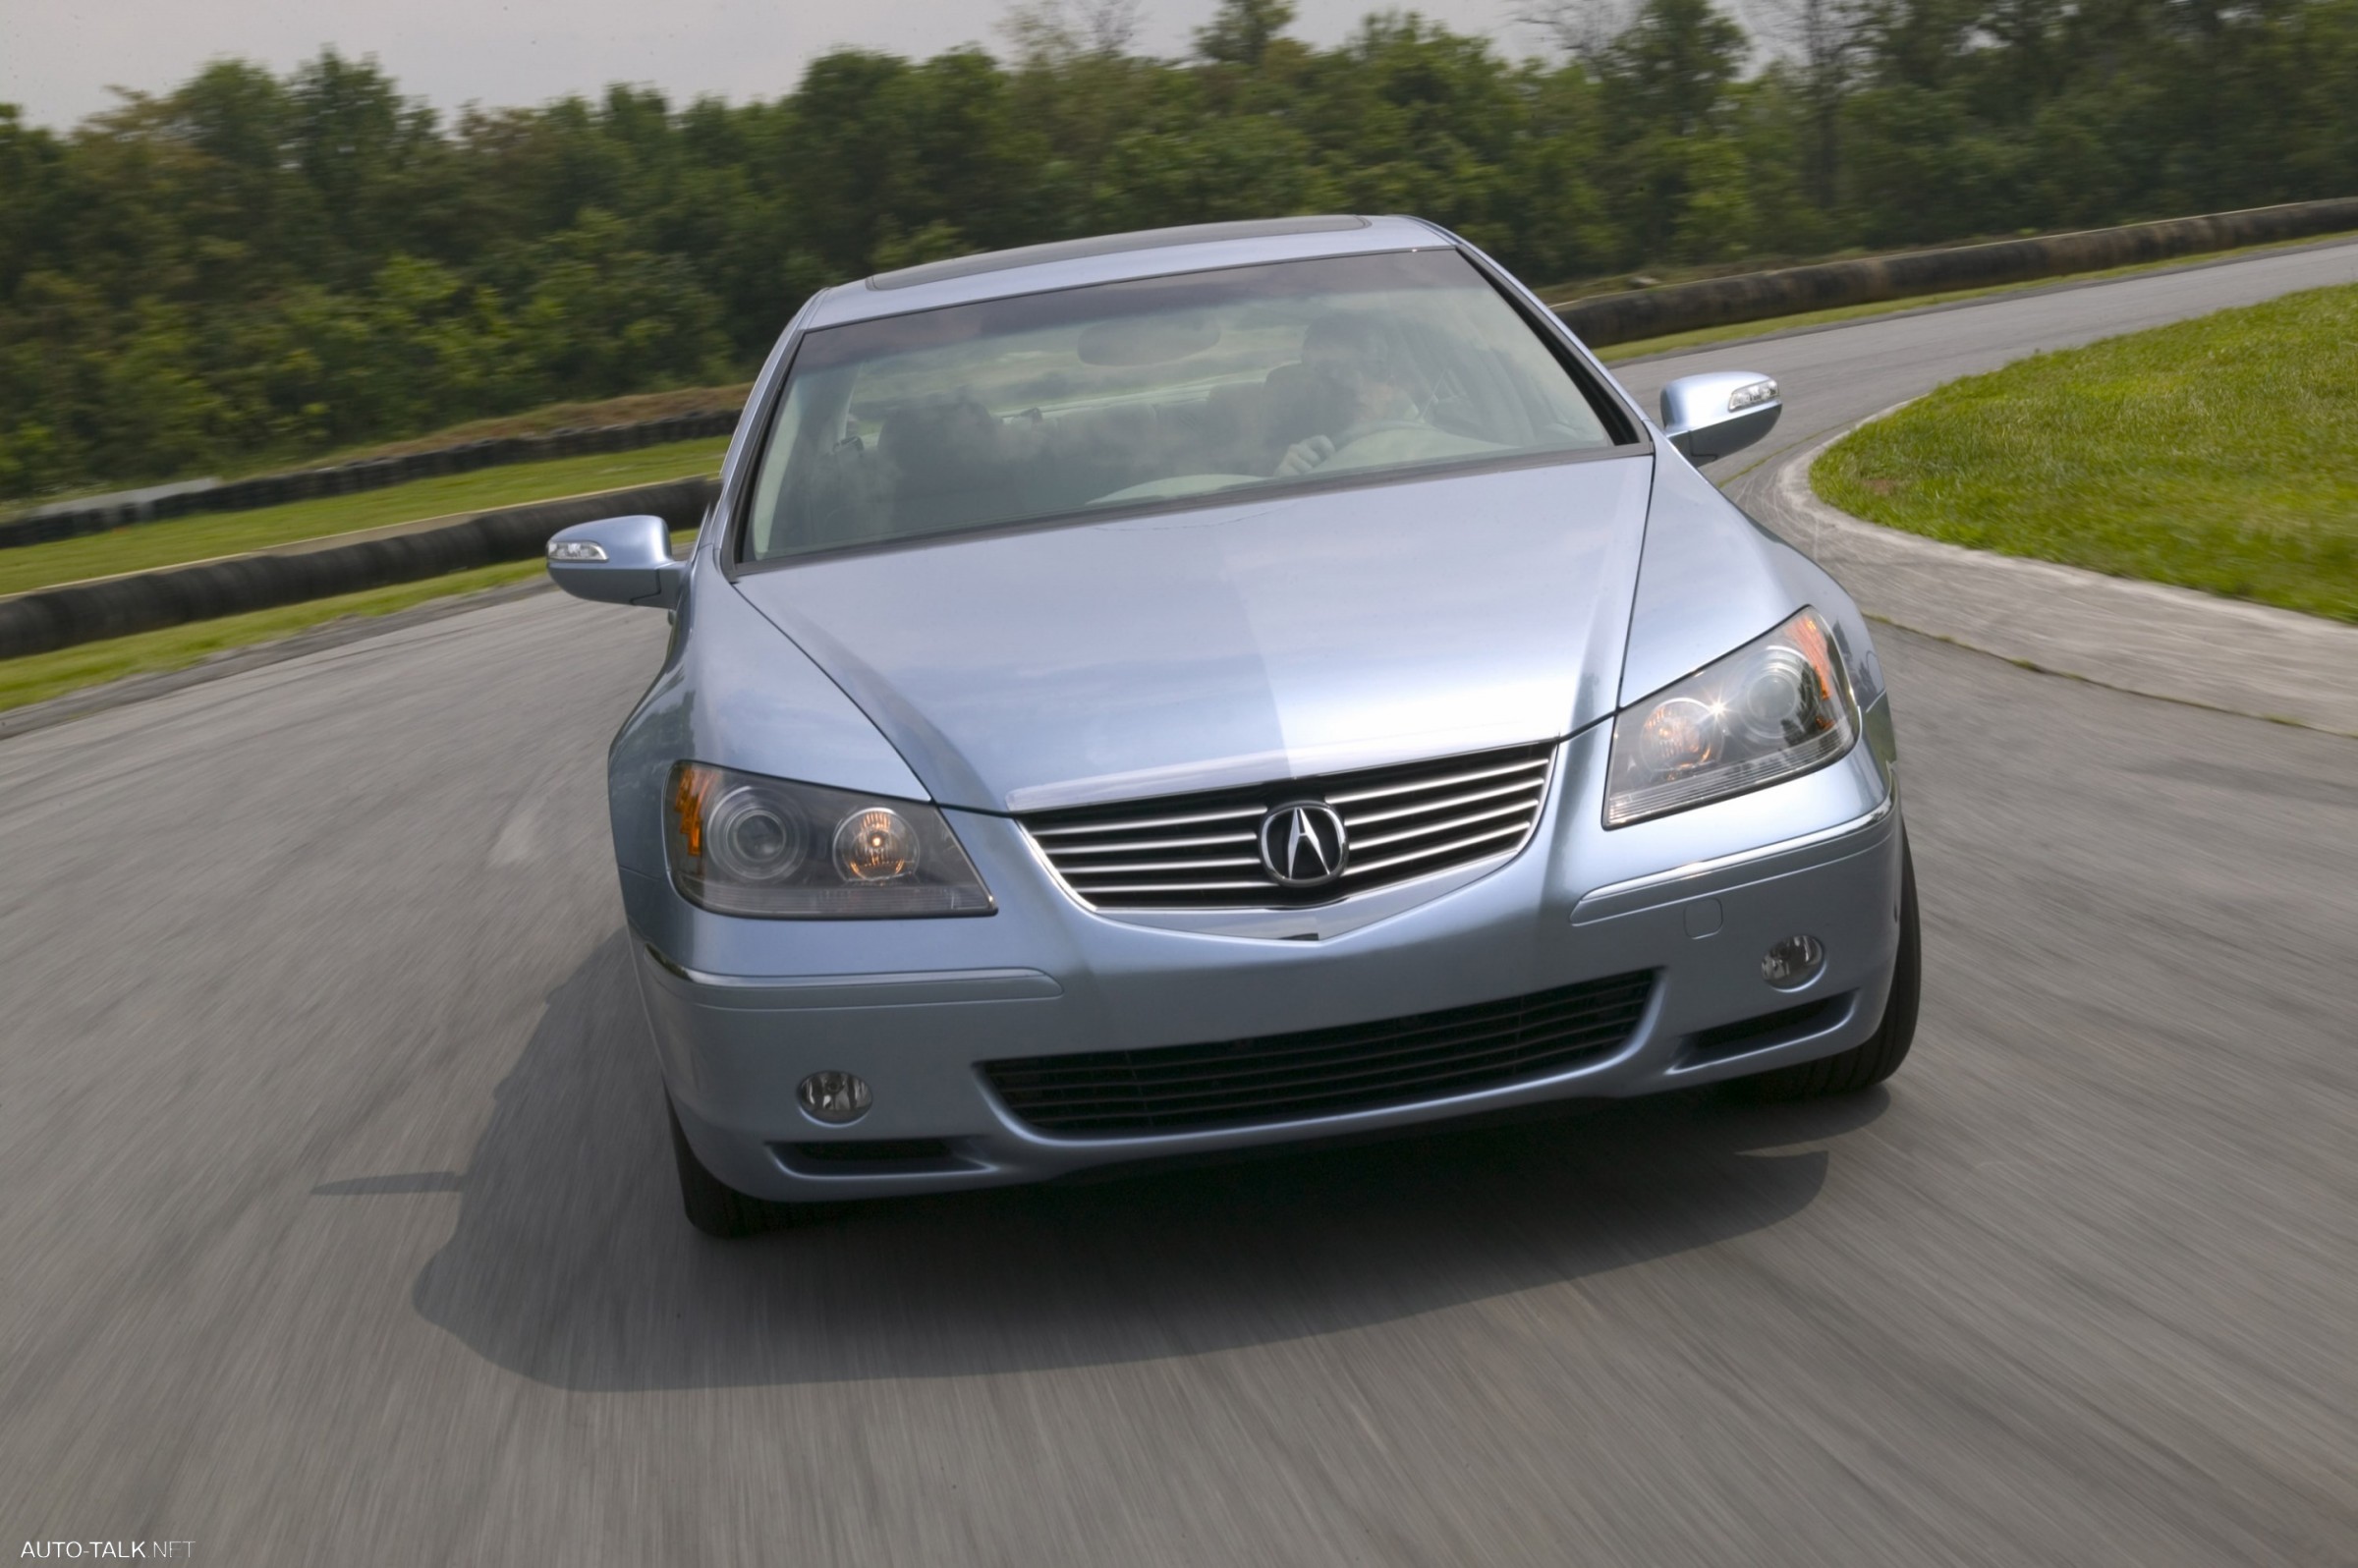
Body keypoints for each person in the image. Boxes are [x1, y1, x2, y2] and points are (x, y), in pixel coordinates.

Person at [1274, 312, 1497, 477]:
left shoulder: (1460, 431)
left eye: (1371, 367)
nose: (1354, 384)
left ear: (1394, 379)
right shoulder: (1289, 445)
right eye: (1327, 374)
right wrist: (1285, 479)